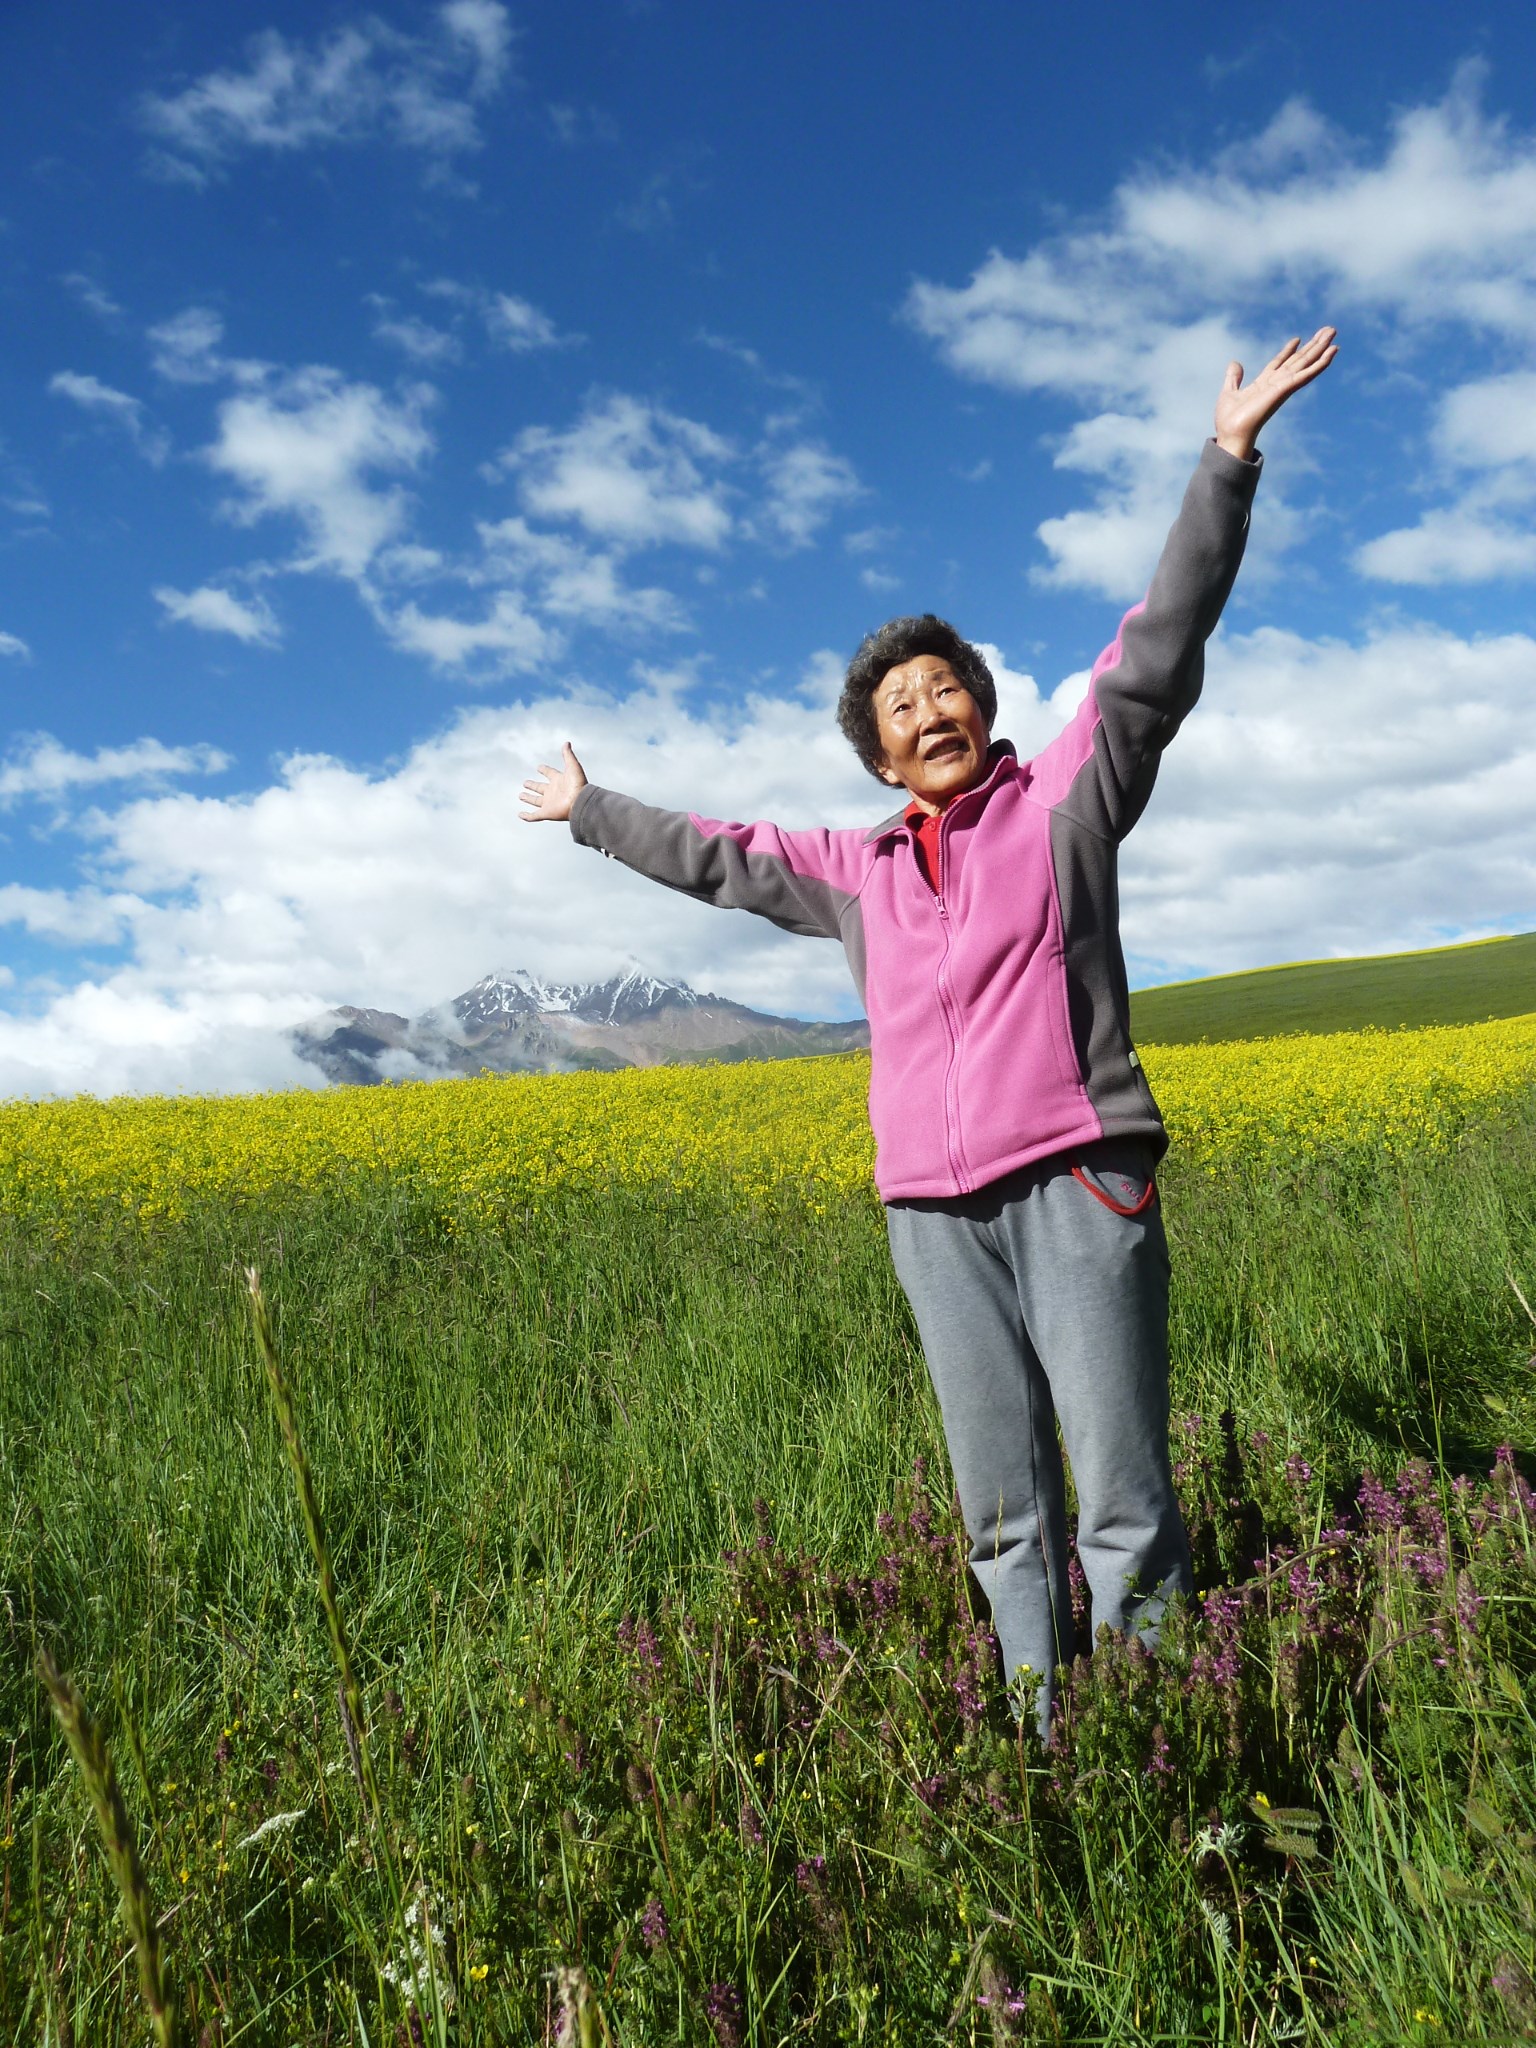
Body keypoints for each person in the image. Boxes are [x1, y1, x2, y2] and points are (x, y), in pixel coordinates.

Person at [521, 329, 1338, 1731]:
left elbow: (1155, 652)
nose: (928, 708)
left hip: (1076, 1179)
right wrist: (592, 812)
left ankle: (1152, 1760)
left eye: (944, 685)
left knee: (1122, 1499)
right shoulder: (858, 875)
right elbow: (720, 851)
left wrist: (1227, 463)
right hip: (932, 1219)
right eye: (900, 707)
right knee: (1003, 1512)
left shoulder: (1068, 800)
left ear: (983, 704)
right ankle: (1042, 1757)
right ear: (883, 756)